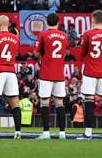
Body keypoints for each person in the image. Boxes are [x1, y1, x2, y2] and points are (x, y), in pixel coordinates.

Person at [77, 10, 102, 140]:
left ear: (93, 20)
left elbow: (82, 53)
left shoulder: (88, 34)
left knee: (89, 102)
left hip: (90, 72)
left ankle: (88, 133)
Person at [35, 12, 68, 140]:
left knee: (44, 102)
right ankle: (62, 133)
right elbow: (64, 53)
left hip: (46, 73)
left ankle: (46, 133)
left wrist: (42, 53)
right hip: (59, 73)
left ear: (47, 23)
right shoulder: (64, 35)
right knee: (59, 103)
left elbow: (36, 53)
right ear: (58, 23)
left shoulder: (43, 35)